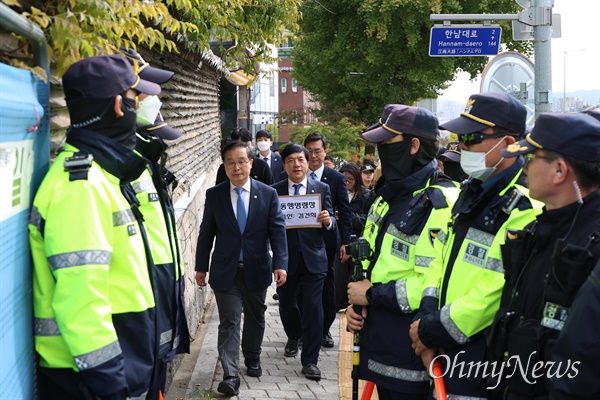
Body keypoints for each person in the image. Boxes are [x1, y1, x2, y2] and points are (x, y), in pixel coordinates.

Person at [29, 54, 163, 399]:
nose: (138, 105)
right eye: (136, 98)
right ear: (119, 106)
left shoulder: (103, 177)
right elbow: (81, 302)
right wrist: (112, 385)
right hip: (92, 381)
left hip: (115, 368)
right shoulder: (82, 187)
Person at [409, 92, 544, 399]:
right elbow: (440, 262)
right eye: (459, 138)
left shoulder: (524, 208)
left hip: (482, 357)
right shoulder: (470, 193)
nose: (461, 147)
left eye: (470, 138)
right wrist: (426, 317)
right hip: (443, 349)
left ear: (509, 143)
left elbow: (496, 289)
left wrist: (433, 330)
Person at [345, 104, 460, 399]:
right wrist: (356, 304)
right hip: (378, 345)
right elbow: (374, 267)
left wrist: (370, 295)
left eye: (387, 143)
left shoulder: (442, 201)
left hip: (414, 354)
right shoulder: (387, 197)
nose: (380, 150)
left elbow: (433, 286)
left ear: (414, 145)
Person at [486, 112, 600, 399]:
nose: (524, 166)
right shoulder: (539, 229)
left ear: (560, 171)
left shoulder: (592, 243)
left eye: (532, 156)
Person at [195, 141, 288, 396]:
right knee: (229, 320)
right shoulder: (215, 194)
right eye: (230, 163)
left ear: (251, 163)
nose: (236, 167)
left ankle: (253, 355)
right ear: (224, 166)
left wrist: (280, 264)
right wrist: (200, 266)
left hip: (257, 267)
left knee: (256, 315)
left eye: (241, 162)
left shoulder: (267, 193)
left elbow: (277, 231)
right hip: (226, 270)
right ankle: (230, 374)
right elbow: (206, 233)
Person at [125, 56, 190, 398]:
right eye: (143, 89)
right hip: (142, 303)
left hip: (162, 290)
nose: (155, 96)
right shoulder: (122, 168)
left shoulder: (144, 162)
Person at [271, 143, 335, 380]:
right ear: (284, 164)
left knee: (313, 309)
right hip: (285, 260)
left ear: (308, 162)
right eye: (291, 160)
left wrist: (328, 220)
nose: (296, 164)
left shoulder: (322, 188)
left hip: (314, 260)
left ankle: (310, 360)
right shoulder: (274, 191)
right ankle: (293, 335)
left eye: (300, 159)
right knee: (288, 304)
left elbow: (332, 223)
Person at [303, 132, 352, 348]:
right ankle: (303, 330)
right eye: (309, 151)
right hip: (302, 242)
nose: (313, 156)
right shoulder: (295, 174)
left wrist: (345, 243)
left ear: (326, 151)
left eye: (318, 151)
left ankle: (324, 330)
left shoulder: (336, 178)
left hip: (328, 242)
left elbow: (346, 212)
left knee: (327, 287)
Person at [335, 162, 376, 310]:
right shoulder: (335, 194)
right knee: (338, 276)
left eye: (350, 179)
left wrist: (347, 216)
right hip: (339, 240)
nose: (347, 183)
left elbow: (368, 220)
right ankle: (339, 303)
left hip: (359, 240)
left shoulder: (367, 195)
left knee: (355, 273)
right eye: (344, 179)